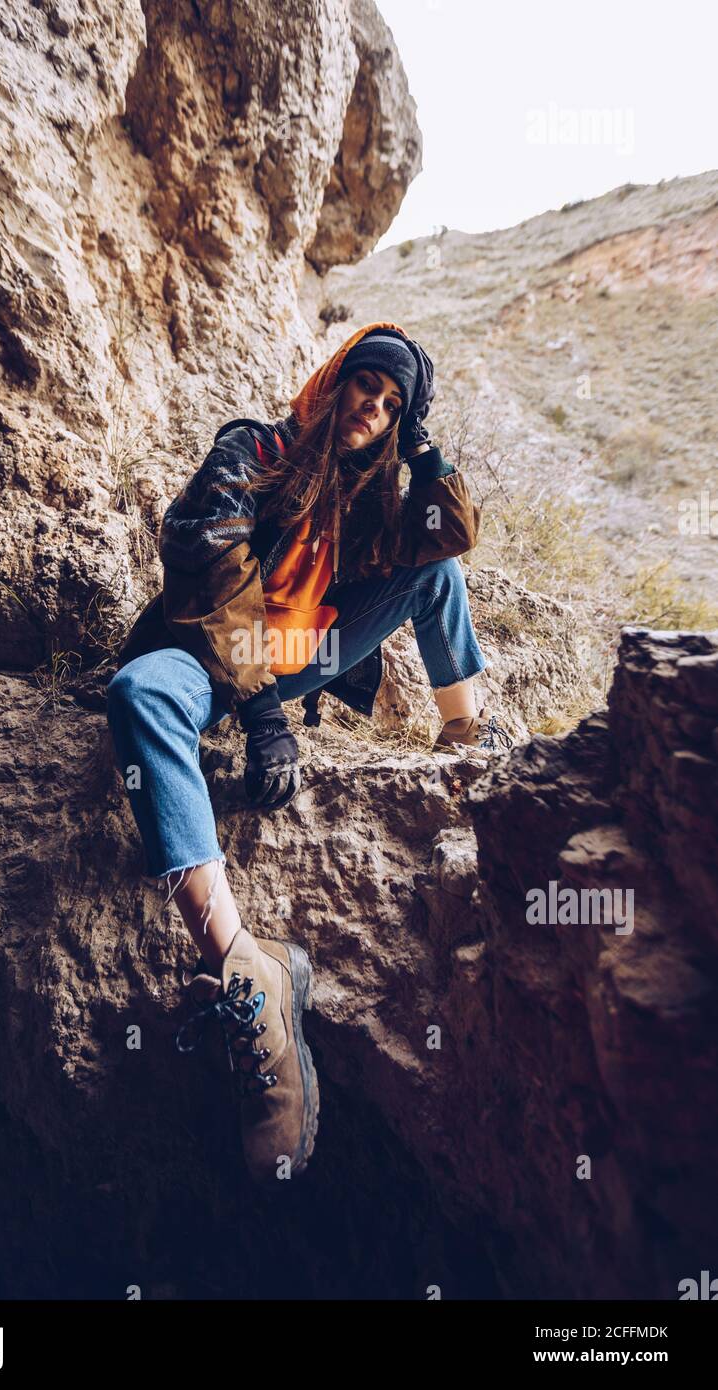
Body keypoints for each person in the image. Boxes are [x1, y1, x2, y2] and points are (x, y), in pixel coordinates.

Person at [106, 321, 506, 1187]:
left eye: (395, 403)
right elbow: (211, 572)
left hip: (293, 668)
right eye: (369, 384)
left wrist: (425, 446)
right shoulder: (251, 450)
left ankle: (468, 737)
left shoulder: (366, 501)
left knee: (435, 575)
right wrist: (260, 715)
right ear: (335, 379)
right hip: (206, 658)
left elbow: (449, 537)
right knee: (138, 695)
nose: (376, 406)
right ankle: (245, 968)